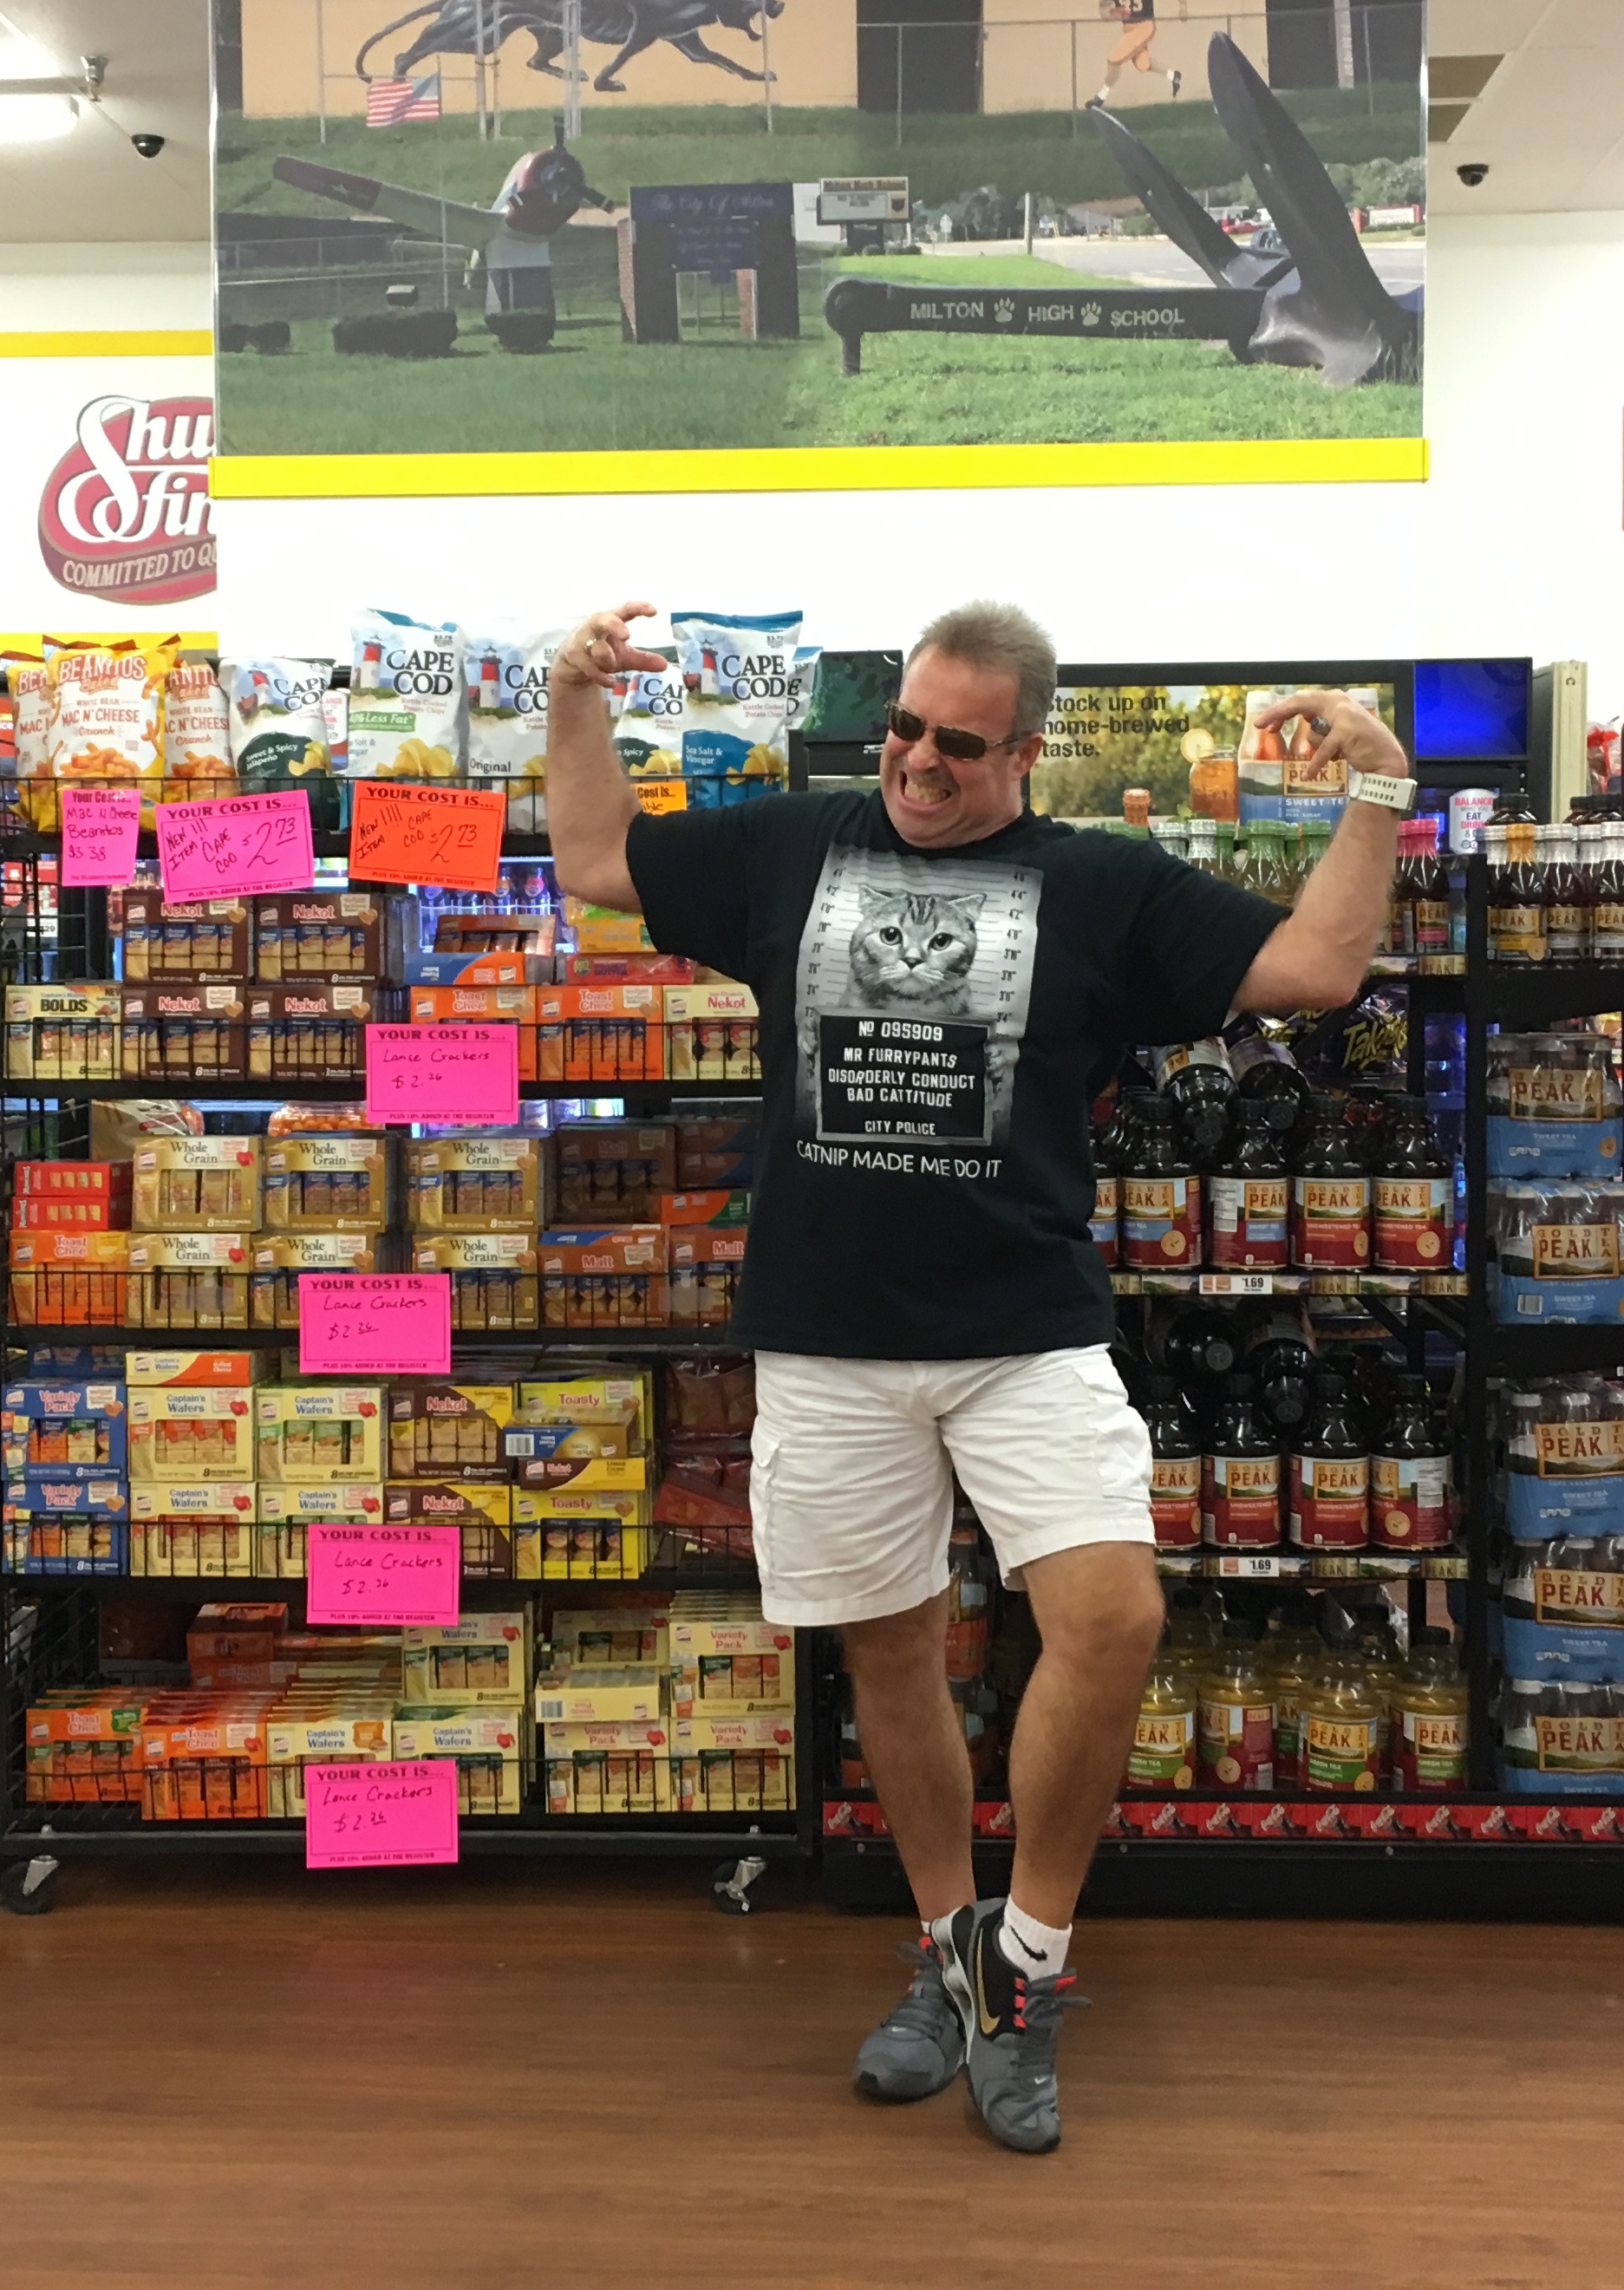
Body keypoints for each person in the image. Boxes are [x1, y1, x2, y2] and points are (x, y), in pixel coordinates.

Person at [545, 601, 1412, 2154]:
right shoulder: (793, 843)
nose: (917, 761)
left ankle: (1030, 1962)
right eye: (903, 727)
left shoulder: (1098, 879)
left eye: (957, 741)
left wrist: (1381, 791)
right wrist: (569, 698)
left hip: (1026, 1329)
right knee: (891, 1654)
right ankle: (949, 1953)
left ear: (1024, 749)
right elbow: (599, 856)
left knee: (1112, 1615)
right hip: (828, 1333)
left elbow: (1319, 964)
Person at [1090, 0, 1184, 105]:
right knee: (1143, 65)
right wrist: (1115, 13)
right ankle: (1173, 76)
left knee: (1114, 59)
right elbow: (1104, 14)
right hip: (1128, 28)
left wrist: (1183, 6)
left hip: (1145, 25)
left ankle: (1101, 96)